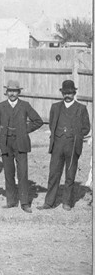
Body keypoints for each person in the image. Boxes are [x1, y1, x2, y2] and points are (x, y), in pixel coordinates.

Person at [0, 79, 43, 213]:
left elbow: (38, 121)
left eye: (15, 91)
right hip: (5, 143)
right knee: (8, 172)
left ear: (18, 92)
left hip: (21, 142)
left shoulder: (25, 105)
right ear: (6, 92)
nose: (12, 93)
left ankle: (25, 203)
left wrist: (24, 129)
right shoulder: (0, 106)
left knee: (22, 173)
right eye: (10, 91)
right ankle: (11, 201)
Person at [38, 80, 91, 211]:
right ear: (62, 93)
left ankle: (67, 202)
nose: (67, 95)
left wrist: (75, 135)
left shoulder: (81, 108)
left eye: (70, 93)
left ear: (74, 93)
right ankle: (49, 202)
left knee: (70, 175)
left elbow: (86, 128)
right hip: (57, 145)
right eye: (65, 93)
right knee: (54, 174)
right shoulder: (55, 107)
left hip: (72, 147)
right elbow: (52, 125)